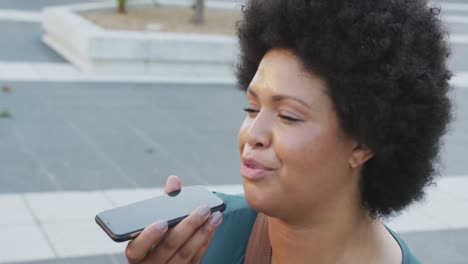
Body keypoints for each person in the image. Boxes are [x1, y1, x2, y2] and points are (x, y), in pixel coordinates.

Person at [124, 0, 452, 263]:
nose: (253, 133)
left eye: (288, 115)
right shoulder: (201, 238)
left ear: (362, 144)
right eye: (251, 109)